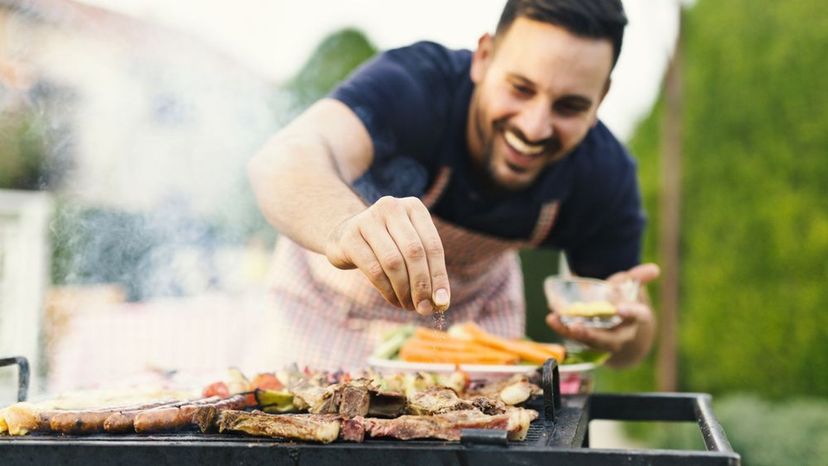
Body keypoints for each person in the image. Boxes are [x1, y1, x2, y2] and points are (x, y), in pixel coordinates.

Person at [248, 0, 660, 371]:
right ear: (483, 58)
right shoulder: (416, 84)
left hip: (472, 332)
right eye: (520, 88)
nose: (534, 128)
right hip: (324, 316)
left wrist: (624, 333)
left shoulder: (603, 172)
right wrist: (344, 228)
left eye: (569, 106)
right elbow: (283, 160)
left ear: (601, 97)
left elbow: (631, 343)